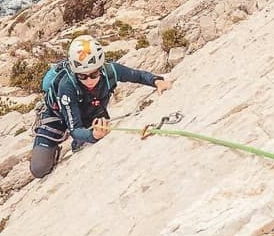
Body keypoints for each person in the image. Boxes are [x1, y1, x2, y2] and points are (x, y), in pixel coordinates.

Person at [30, 33, 171, 179]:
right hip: (57, 116)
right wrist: (93, 135)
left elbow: (136, 75)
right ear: (75, 72)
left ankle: (76, 145)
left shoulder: (110, 71)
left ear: (101, 67)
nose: (89, 80)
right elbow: (75, 129)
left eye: (94, 74)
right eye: (82, 76)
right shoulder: (67, 86)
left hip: (89, 111)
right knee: (39, 169)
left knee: (82, 144)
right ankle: (53, 150)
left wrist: (157, 81)